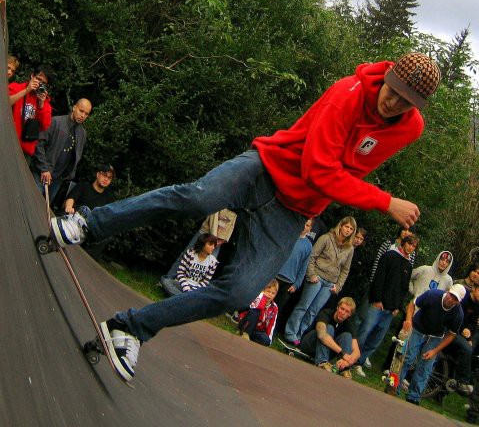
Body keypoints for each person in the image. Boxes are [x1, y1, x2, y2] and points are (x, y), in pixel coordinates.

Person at [49, 52, 441, 381]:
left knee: (237, 292)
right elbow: (319, 171)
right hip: (267, 169)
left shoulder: (411, 129)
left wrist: (350, 193)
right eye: (393, 92)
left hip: (293, 213)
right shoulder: (347, 94)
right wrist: (384, 201)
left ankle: (129, 327)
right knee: (197, 197)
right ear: (386, 76)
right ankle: (86, 223)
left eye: (405, 102)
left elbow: (351, 168)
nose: (393, 104)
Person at [284, 217, 356, 345]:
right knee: (304, 306)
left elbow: (345, 270)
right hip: (317, 276)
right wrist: (311, 274)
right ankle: (290, 333)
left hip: (330, 283)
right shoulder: (326, 238)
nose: (348, 230)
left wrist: (338, 286)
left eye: (351, 229)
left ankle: (300, 337)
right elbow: (312, 256)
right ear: (341, 225)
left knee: (314, 311)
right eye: (346, 227)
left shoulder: (349, 249)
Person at [355, 234, 418, 377]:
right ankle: (351, 357)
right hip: (378, 304)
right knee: (364, 332)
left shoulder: (408, 265)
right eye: (409, 244)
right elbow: (379, 278)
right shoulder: (389, 256)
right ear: (403, 243)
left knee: (376, 340)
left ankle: (359, 361)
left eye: (414, 246)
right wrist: (377, 300)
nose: (411, 247)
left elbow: (403, 289)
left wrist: (397, 307)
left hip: (391, 310)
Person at [397, 283, 465, 405]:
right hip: (418, 328)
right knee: (408, 357)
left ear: (458, 302)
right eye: (451, 295)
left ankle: (414, 395)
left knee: (426, 366)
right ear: (448, 291)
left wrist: (436, 350)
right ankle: (395, 384)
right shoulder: (432, 295)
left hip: (435, 336)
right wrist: (408, 320)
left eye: (455, 299)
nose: (451, 299)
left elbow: (451, 334)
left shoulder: (458, 313)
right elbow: (413, 304)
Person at [31, 98, 92, 203]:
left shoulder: (82, 133)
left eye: (86, 114)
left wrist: (67, 176)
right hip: (41, 173)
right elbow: (39, 143)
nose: (83, 116)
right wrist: (44, 169)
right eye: (81, 111)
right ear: (74, 108)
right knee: (32, 202)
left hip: (58, 179)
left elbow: (76, 157)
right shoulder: (56, 122)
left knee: (44, 210)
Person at [299, 297, 360, 378]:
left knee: (347, 336)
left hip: (328, 351)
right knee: (329, 328)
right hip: (309, 345)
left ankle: (343, 368)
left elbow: (357, 352)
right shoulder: (326, 313)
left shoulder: (349, 325)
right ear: (337, 307)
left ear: (349, 315)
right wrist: (343, 353)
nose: (342, 312)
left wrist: (347, 362)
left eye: (347, 311)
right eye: (342, 308)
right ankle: (322, 362)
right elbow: (322, 335)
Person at [274, 218, 314, 333]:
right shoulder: (288, 235)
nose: (304, 226)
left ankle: (270, 332)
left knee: (278, 308)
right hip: (275, 275)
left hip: (289, 281)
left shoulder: (308, 246)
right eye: (303, 223)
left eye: (307, 225)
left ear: (310, 228)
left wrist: (296, 284)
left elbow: (303, 267)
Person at [9, 65, 52, 164]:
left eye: (43, 83)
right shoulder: (16, 87)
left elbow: (45, 126)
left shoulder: (45, 103)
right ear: (32, 76)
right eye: (38, 79)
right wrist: (26, 91)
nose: (39, 84)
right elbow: (5, 103)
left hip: (25, 151)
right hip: (8, 140)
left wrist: (41, 105)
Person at [238, 280, 279, 346]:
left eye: (273, 293)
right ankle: (244, 333)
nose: (270, 294)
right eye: (268, 291)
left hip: (257, 330)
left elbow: (272, 324)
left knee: (266, 341)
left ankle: (250, 339)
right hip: (246, 323)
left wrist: (269, 338)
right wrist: (263, 297)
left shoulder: (275, 307)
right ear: (263, 290)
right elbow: (249, 311)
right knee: (256, 312)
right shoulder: (258, 298)